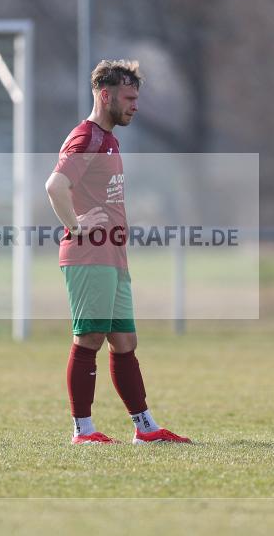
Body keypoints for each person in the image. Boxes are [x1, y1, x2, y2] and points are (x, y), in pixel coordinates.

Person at [45, 60, 191, 445]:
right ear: (105, 95)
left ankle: (145, 428)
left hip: (112, 256)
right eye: (129, 97)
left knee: (125, 342)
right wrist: (77, 226)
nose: (135, 105)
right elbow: (55, 186)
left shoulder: (108, 139)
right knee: (89, 338)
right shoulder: (88, 137)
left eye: (137, 98)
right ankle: (83, 431)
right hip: (88, 256)